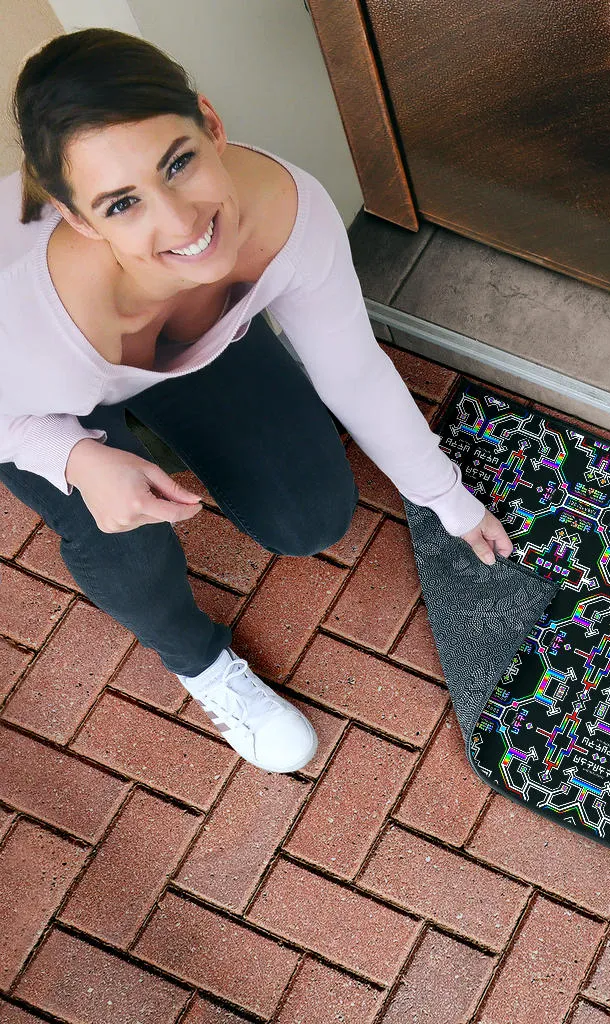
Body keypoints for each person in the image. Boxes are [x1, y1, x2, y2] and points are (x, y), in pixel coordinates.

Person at [1, 28, 513, 774]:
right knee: (125, 539)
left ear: (211, 123)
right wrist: (78, 458)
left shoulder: (289, 211)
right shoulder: (32, 313)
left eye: (178, 162)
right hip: (39, 404)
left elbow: (353, 368)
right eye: (121, 204)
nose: (180, 224)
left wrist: (447, 497)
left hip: (193, 349)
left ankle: (169, 413)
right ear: (78, 220)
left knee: (310, 518)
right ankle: (200, 664)